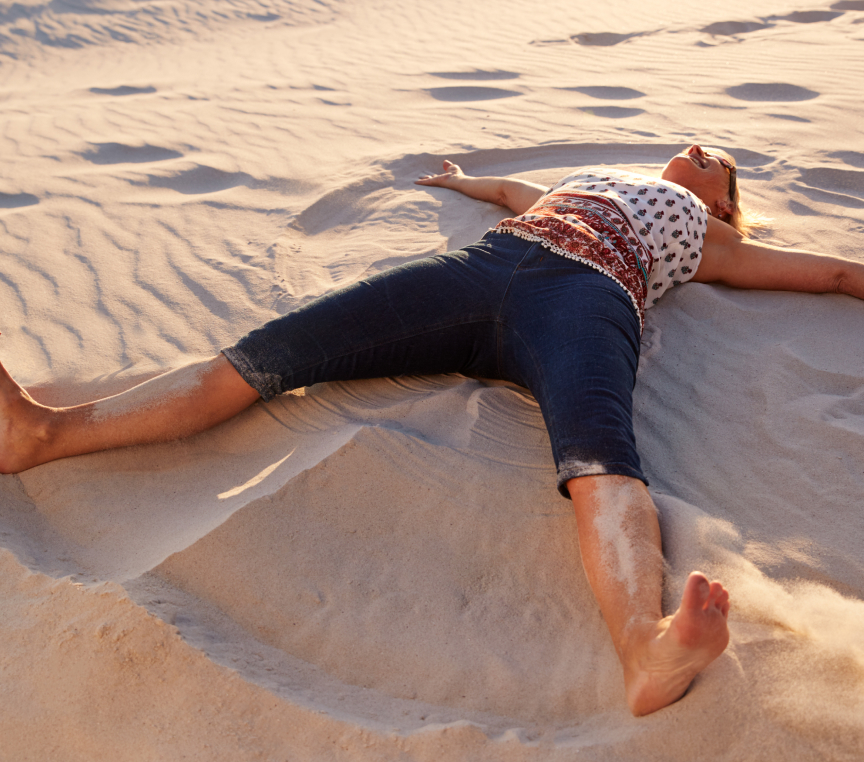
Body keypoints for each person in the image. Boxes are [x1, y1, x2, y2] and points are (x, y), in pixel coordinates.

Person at [1, 144, 862, 716]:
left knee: (600, 445)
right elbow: (506, 193)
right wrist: (459, 181)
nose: (704, 152)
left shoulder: (703, 236)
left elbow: (826, 273)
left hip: (587, 296)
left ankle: (643, 646)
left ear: (722, 203)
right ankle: (43, 436)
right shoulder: (591, 182)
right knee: (272, 353)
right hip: (484, 264)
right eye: (700, 144)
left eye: (722, 164)